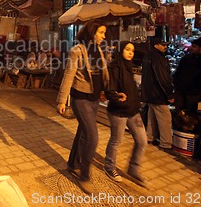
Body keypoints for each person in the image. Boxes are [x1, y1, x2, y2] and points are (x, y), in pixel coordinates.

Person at [56, 20, 109, 194]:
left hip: (94, 99)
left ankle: (72, 164)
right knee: (92, 138)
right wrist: (62, 100)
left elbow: (102, 73)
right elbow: (68, 75)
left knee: (83, 133)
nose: (104, 36)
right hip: (81, 99)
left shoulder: (100, 50)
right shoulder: (76, 51)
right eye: (101, 32)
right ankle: (85, 176)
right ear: (92, 32)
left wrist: (107, 91)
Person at [104, 41, 148, 187]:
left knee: (142, 141)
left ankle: (134, 169)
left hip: (133, 111)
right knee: (116, 141)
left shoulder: (130, 67)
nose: (130, 52)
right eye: (127, 49)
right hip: (119, 111)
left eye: (132, 50)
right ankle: (109, 167)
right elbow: (109, 90)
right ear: (121, 50)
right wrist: (119, 100)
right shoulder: (115, 67)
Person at [141, 38, 175, 151]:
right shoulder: (158, 58)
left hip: (149, 93)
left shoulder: (148, 56)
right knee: (165, 117)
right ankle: (166, 143)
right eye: (162, 45)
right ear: (156, 45)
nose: (165, 47)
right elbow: (162, 77)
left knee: (152, 116)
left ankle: (150, 137)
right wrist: (169, 94)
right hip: (158, 94)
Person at [173, 36, 201, 114]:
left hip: (195, 93)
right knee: (179, 113)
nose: (191, 48)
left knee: (191, 114)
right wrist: (176, 84)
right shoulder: (187, 58)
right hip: (181, 90)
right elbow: (178, 71)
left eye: (194, 46)